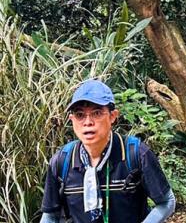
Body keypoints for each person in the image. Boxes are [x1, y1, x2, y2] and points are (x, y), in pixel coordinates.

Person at [41, 79, 176, 223]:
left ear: (113, 116)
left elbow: (166, 201)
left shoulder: (135, 153)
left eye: (97, 113)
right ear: (72, 119)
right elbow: (50, 216)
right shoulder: (62, 161)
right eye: (80, 115)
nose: (88, 122)